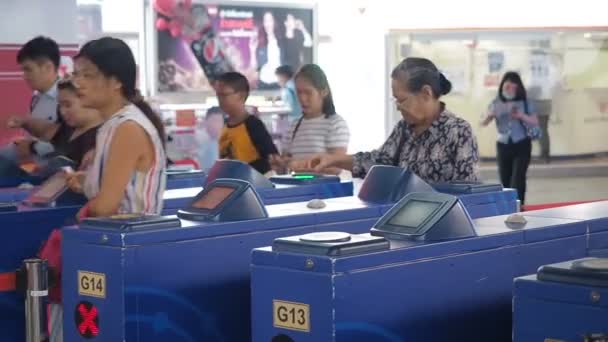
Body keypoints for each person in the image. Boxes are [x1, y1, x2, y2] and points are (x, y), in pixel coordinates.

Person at [294, 57, 480, 183]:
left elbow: (468, 190)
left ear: (426, 93)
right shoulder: (404, 129)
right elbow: (379, 162)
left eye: (402, 100)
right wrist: (333, 159)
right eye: (395, 100)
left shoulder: (458, 131)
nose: (398, 106)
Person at [67, 37, 167, 218]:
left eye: (88, 75)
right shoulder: (112, 124)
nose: (78, 83)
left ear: (116, 82)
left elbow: (104, 207)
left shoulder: (128, 128)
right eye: (76, 74)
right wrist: (88, 181)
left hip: (131, 240)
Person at [271, 64, 349, 175]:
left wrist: (299, 166)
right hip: (295, 189)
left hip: (324, 190)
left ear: (323, 92)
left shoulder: (335, 124)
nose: (302, 98)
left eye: (308, 92)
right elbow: (286, 165)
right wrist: (279, 165)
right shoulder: (295, 125)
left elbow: (336, 167)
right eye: (299, 92)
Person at [6, 78, 102, 168]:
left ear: (89, 100)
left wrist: (25, 161)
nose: (62, 111)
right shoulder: (69, 127)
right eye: (60, 105)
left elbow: (40, 177)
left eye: (68, 105)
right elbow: (46, 130)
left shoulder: (96, 142)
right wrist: (24, 122)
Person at [1, 36, 62, 162]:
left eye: (28, 69)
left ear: (48, 67)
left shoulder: (66, 98)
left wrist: (33, 147)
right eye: (23, 70)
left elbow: (68, 142)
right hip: (30, 164)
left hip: (51, 169)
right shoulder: (36, 97)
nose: (24, 76)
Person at [482, 71, 539, 205]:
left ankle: (519, 207)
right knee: (505, 180)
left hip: (522, 144)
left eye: (513, 87)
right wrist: (490, 115)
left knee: (518, 179)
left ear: (518, 88)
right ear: (502, 87)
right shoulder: (495, 103)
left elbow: (535, 121)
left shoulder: (525, 102)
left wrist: (521, 115)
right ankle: (508, 208)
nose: (510, 90)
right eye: (507, 87)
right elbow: (483, 122)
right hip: (503, 145)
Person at [216, 71, 278, 174]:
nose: (220, 100)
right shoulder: (224, 126)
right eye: (218, 95)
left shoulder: (253, 125)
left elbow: (270, 157)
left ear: (241, 95)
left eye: (224, 95)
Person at [250, 11, 283, 89]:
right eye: (265, 21)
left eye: (270, 20)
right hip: (263, 84)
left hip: (278, 85)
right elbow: (255, 67)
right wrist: (252, 51)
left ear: (274, 22)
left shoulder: (281, 41)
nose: (267, 24)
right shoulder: (260, 41)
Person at [196, 106, 224, 170]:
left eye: (218, 121)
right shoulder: (206, 143)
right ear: (206, 122)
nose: (215, 125)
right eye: (212, 121)